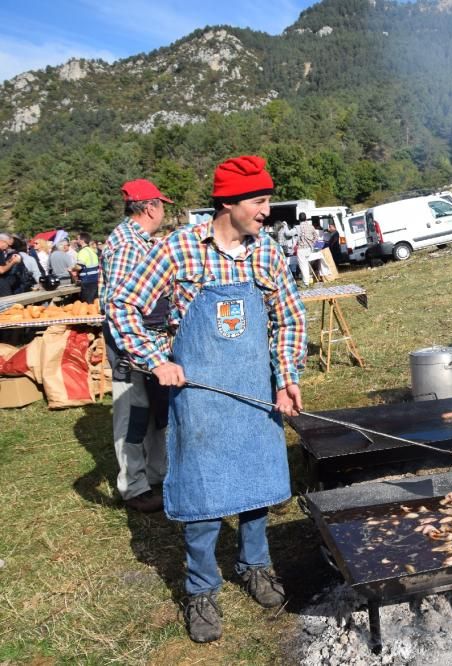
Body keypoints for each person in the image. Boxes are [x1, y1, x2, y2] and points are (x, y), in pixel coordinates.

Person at [108, 155, 307, 643]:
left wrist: (286, 379)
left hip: (256, 393)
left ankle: (255, 565)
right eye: (259, 202)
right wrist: (156, 358)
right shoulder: (178, 250)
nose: (266, 212)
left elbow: (290, 320)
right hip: (199, 399)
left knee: (258, 485)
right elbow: (122, 304)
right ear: (228, 203)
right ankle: (201, 588)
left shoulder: (267, 255)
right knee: (202, 496)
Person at [99, 179, 173, 514]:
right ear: (149, 207)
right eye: (162, 204)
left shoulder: (138, 240)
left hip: (149, 340)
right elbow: (118, 304)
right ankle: (134, 487)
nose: (163, 210)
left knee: (156, 410)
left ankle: (156, 474)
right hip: (132, 344)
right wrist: (132, 350)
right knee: (132, 415)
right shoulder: (128, 245)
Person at [74, 232, 100, 303]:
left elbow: (79, 267)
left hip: (87, 280)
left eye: (77, 239)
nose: (76, 241)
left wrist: (73, 268)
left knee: (87, 304)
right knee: (95, 302)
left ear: (82, 241)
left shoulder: (82, 252)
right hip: (95, 279)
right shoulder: (92, 251)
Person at [295, 211, 320, 285]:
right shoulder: (311, 226)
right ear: (306, 219)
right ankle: (308, 279)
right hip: (309, 248)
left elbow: (289, 234)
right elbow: (316, 236)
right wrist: (312, 243)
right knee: (306, 264)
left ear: (299, 219)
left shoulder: (298, 227)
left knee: (303, 265)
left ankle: (306, 282)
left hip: (301, 248)